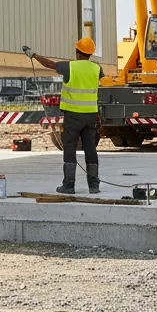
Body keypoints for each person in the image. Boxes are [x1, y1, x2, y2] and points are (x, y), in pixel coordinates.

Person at [23, 37, 101, 194]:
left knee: (70, 148)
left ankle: (69, 185)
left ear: (77, 52)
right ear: (91, 53)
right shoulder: (97, 69)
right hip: (90, 115)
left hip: (73, 115)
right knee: (90, 148)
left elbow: (50, 64)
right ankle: (94, 186)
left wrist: (34, 55)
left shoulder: (70, 67)